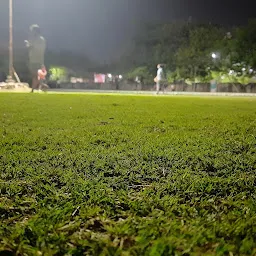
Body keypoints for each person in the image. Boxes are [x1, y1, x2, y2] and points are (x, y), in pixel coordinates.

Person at [25, 24, 46, 93]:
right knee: (37, 75)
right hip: (38, 60)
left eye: (32, 31)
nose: (31, 32)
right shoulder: (42, 39)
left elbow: (31, 47)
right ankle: (40, 87)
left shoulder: (36, 39)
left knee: (35, 75)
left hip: (35, 60)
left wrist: (27, 44)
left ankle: (35, 88)